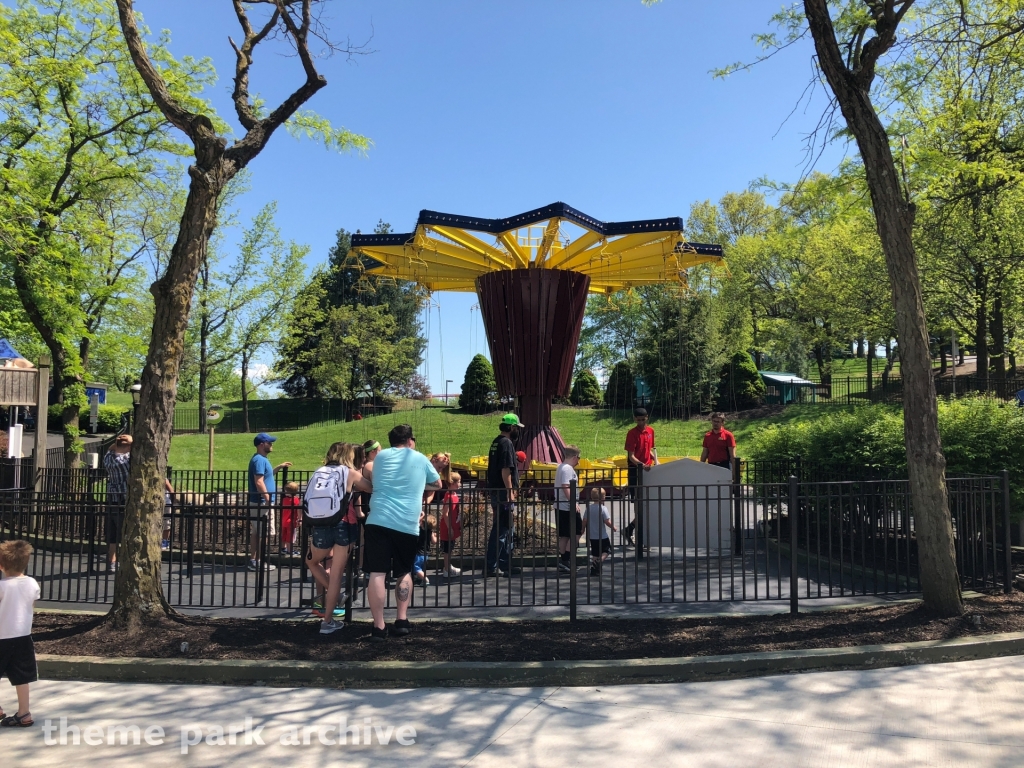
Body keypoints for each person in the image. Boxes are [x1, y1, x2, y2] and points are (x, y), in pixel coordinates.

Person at [363, 424, 441, 641]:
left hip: (377, 519)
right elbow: (437, 483)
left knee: (377, 573)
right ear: (409, 440)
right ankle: (402, 619)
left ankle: (378, 626)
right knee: (404, 571)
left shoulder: (380, 458)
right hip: (407, 523)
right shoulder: (419, 458)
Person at [306, 442, 371, 634]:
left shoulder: (319, 471)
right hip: (345, 524)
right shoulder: (350, 472)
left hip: (321, 523)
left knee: (311, 561)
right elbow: (370, 488)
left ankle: (337, 597)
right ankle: (327, 621)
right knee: (336, 574)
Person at [103, 435, 173, 570]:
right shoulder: (129, 460)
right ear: (130, 447)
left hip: (111, 498)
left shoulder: (108, 458)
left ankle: (112, 562)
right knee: (128, 531)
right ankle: (127, 561)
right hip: (125, 499)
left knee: (112, 533)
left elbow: (111, 448)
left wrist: (120, 442)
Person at [0, 540, 40, 727]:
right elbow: (31, 604)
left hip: (1, 637)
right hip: (23, 636)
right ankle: (24, 713)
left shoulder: (2, 586)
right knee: (22, 677)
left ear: (1, 566)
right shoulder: (32, 583)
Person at [485, 413, 523, 577]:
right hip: (503, 494)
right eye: (517, 428)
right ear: (512, 427)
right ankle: (492, 566)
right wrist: (510, 492)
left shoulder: (496, 442)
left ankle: (504, 564)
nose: (518, 431)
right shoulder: (507, 443)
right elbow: (506, 469)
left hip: (496, 491)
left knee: (506, 529)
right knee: (501, 530)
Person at [247, 432, 291, 573]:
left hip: (258, 502)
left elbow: (266, 476)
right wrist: (267, 499)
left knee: (256, 532)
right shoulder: (259, 460)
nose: (271, 444)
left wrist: (279, 467)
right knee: (263, 533)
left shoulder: (260, 459)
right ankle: (259, 561)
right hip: (261, 503)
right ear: (261, 444)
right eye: (269, 442)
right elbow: (259, 481)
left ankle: (253, 560)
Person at [622, 408, 657, 547]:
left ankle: (630, 529)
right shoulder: (631, 433)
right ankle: (640, 538)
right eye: (638, 419)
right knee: (639, 505)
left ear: (647, 418)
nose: (641, 422)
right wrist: (641, 465)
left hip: (648, 470)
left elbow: (649, 451)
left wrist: (656, 461)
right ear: (635, 419)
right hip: (635, 471)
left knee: (649, 505)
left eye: (643, 419)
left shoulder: (651, 431)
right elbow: (631, 456)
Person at [554, 445, 583, 573]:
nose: (579, 461)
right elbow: (566, 486)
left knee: (565, 535)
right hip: (567, 506)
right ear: (575, 457)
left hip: (563, 506)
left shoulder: (562, 467)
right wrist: (572, 502)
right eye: (579, 458)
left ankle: (564, 560)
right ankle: (568, 559)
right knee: (576, 532)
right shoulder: (567, 469)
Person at [583, 487, 615, 575]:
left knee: (595, 553)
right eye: (604, 495)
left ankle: (594, 569)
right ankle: (599, 562)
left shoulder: (588, 508)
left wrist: (582, 529)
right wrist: (613, 527)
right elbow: (607, 521)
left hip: (592, 536)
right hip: (602, 535)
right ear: (602, 497)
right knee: (608, 550)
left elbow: (585, 520)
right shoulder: (603, 508)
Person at [438, 472, 463, 577]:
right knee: (447, 550)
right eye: (458, 482)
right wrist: (449, 528)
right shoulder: (449, 496)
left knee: (450, 548)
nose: (460, 484)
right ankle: (447, 570)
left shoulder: (454, 494)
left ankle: (448, 567)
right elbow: (445, 513)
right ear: (452, 483)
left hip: (453, 526)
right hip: (448, 527)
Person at [412, 511, 437, 585]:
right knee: (421, 568)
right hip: (426, 554)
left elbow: (416, 522)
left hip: (418, 554)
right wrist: (436, 537)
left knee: (415, 567)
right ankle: (419, 579)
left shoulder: (419, 530)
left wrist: (422, 515)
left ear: (422, 523)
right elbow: (434, 541)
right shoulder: (430, 532)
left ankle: (425, 579)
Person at [280, 481, 301, 555]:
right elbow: (298, 511)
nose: (285, 492)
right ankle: (290, 550)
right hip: (291, 522)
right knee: (290, 537)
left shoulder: (284, 500)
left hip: (283, 521)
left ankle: (283, 548)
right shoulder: (296, 500)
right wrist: (300, 519)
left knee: (284, 535)